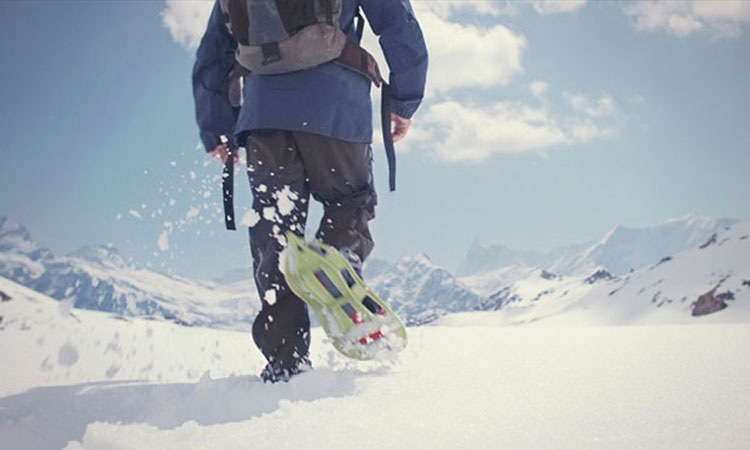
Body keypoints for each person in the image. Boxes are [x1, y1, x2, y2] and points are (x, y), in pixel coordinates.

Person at [192, 0, 428, 382]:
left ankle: (286, 360)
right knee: (349, 201)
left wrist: (217, 128)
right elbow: (397, 23)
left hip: (264, 115)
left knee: (275, 228)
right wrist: (404, 99)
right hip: (336, 105)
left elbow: (212, 57)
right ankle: (337, 260)